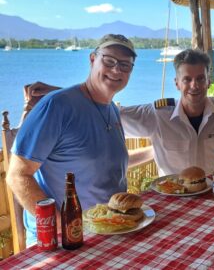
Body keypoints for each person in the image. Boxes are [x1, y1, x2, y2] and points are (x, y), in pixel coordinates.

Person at [6, 34, 153, 246]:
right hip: (65, 241)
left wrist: (155, 151)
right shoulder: (56, 107)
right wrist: (62, 225)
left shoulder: (111, 110)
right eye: (109, 60)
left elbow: (104, 163)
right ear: (93, 59)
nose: (116, 70)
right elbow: (17, 176)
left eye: (125, 65)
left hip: (110, 232)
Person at [24, 49, 214, 177]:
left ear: (208, 81)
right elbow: (105, 109)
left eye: (200, 79)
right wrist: (60, 93)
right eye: (187, 79)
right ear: (177, 83)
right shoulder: (158, 114)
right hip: (175, 202)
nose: (194, 86)